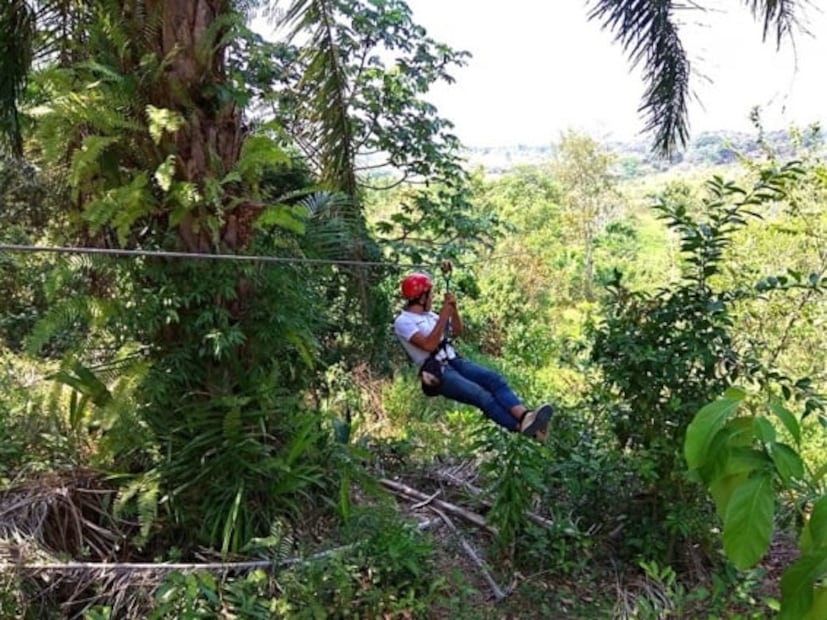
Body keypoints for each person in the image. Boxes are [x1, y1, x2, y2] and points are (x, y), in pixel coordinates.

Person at [393, 270, 552, 439]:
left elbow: (457, 331)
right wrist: (443, 316)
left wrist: (453, 310)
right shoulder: (403, 321)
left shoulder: (430, 316)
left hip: (454, 360)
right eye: (430, 294)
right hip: (438, 372)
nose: (432, 298)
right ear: (422, 298)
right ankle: (524, 429)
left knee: (494, 380)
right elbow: (429, 345)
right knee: (480, 395)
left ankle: (525, 416)